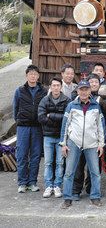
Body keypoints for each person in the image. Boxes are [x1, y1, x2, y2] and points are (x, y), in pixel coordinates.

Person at [59, 80, 105, 209]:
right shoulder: (71, 105)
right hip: (74, 142)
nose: (84, 92)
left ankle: (95, 197)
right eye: (81, 89)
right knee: (69, 172)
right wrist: (63, 143)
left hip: (92, 144)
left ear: (90, 91)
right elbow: (65, 125)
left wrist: (101, 144)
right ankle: (67, 198)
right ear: (77, 91)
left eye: (86, 89)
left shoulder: (96, 106)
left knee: (95, 172)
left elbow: (101, 126)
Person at [72, 73, 106, 199]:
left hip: (95, 138)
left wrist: (102, 141)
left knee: (94, 167)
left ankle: (91, 189)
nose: (94, 84)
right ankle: (76, 190)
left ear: (100, 85)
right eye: (91, 82)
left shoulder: (102, 99)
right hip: (79, 139)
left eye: (96, 82)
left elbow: (105, 120)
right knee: (78, 165)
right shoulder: (77, 99)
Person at [13, 64, 47, 193]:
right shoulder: (19, 90)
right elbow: (15, 109)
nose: (33, 76)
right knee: (21, 155)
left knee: (36, 155)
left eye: (35, 74)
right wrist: (20, 121)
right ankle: (22, 182)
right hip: (23, 127)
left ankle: (32, 182)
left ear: (38, 76)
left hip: (37, 127)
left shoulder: (43, 91)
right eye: (30, 74)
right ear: (26, 76)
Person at [38, 77, 70, 198]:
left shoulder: (67, 100)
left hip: (61, 137)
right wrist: (57, 120)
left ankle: (57, 185)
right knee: (48, 162)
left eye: (58, 85)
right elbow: (41, 118)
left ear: (61, 87)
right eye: (54, 85)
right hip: (48, 136)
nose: (56, 88)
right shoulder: (44, 100)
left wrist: (51, 115)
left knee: (60, 163)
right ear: (50, 87)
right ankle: (48, 186)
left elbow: (67, 118)